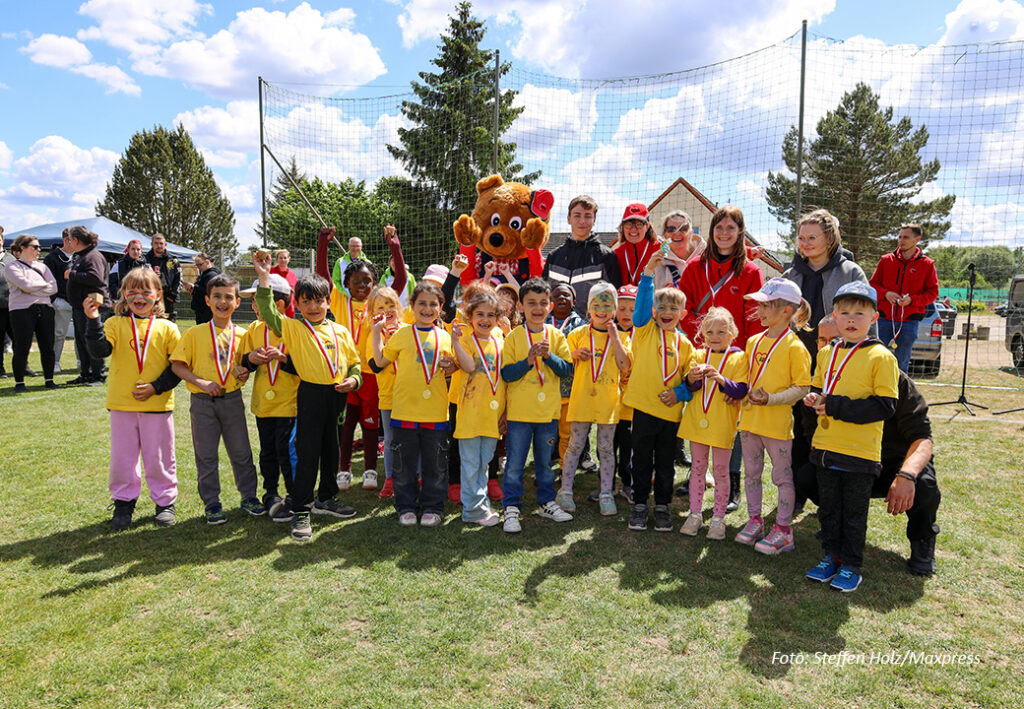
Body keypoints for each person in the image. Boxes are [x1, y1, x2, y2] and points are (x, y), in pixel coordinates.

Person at [795, 315, 941, 576]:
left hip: (890, 465)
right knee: (809, 475)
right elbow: (811, 438)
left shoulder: (893, 377)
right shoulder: (816, 388)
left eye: (837, 340)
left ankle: (922, 540)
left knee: (924, 487)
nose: (832, 346)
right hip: (847, 460)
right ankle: (835, 530)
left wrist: (906, 476)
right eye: (823, 341)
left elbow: (922, 437)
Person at [254, 254, 362, 542]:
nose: (313, 307)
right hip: (310, 395)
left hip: (337, 396)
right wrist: (264, 277)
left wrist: (354, 379)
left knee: (332, 450)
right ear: (297, 305)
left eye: (319, 301)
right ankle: (301, 507)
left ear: (328, 301)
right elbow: (267, 311)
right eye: (306, 302)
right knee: (307, 453)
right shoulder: (293, 328)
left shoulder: (340, 330)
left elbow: (354, 363)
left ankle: (326, 498)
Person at [802, 281, 898, 593]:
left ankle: (852, 565)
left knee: (854, 513)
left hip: (860, 453)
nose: (852, 319)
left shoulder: (882, 357)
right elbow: (820, 388)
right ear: (835, 316)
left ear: (875, 317)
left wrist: (835, 405)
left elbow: (885, 406)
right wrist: (814, 398)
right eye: (845, 312)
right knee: (829, 508)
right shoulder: (827, 352)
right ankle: (831, 556)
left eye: (860, 312)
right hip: (826, 447)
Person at [678, 205, 765, 514]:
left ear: (740, 232)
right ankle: (698, 475)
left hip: (735, 361)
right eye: (719, 227)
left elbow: (755, 320)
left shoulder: (752, 272)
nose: (724, 233)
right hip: (701, 356)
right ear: (711, 231)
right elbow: (683, 309)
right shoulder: (693, 268)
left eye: (731, 228)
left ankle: (732, 483)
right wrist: (704, 337)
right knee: (699, 414)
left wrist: (744, 367)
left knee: (731, 423)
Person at [783, 209, 870, 508]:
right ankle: (795, 493)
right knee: (795, 429)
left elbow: (865, 318)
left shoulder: (851, 272)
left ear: (830, 238)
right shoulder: (790, 275)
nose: (805, 243)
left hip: (835, 365)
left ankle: (828, 497)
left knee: (826, 428)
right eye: (801, 237)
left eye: (812, 237)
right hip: (796, 364)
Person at [83, 266, 182, 530]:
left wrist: (155, 387)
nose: (139, 297)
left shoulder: (169, 328)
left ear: (158, 294)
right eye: (132, 291)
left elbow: (177, 368)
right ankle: (124, 502)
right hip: (122, 405)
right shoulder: (115, 323)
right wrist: (92, 319)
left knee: (160, 457)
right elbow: (99, 351)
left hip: (157, 405)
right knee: (123, 459)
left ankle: (165, 502)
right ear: (124, 294)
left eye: (145, 291)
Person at [170, 273, 266, 526]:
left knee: (242, 452)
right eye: (217, 297)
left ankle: (249, 496)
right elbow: (178, 366)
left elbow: (243, 366)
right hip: (202, 403)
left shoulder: (244, 335)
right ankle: (212, 502)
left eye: (228, 297)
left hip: (232, 400)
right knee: (206, 455)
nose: (223, 302)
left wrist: (243, 372)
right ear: (207, 300)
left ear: (237, 303)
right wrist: (201, 382)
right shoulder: (194, 333)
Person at [734, 278, 813, 554]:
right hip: (750, 423)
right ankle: (755, 521)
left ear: (787, 312)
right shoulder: (753, 341)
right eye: (760, 305)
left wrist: (772, 400)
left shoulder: (796, 347)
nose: (761, 310)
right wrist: (739, 392)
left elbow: (802, 388)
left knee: (782, 478)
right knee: (752, 474)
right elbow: (746, 377)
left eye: (767, 305)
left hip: (777, 426)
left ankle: (783, 530)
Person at [371, 281, 456, 527]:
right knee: (404, 465)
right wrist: (376, 332)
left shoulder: (444, 336)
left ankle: (433, 507)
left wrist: (451, 366)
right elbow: (379, 360)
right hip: (404, 411)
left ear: (440, 308)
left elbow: (452, 367)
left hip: (436, 414)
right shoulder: (401, 334)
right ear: (412, 306)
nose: (427, 309)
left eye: (433, 304)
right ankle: (406, 506)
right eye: (422, 303)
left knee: (435, 465)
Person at [625, 254, 695, 532]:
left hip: (670, 414)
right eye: (661, 306)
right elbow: (641, 306)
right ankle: (641, 504)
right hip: (643, 410)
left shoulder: (686, 345)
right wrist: (648, 274)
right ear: (654, 312)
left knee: (666, 463)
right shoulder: (643, 332)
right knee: (642, 461)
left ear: (683, 314)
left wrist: (679, 393)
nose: (667, 310)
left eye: (673, 307)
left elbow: (691, 380)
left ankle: (663, 506)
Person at [498, 278, 575, 533]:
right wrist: (529, 360)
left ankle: (545, 503)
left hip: (547, 414)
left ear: (550, 306)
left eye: (543, 303)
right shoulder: (513, 338)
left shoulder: (556, 335)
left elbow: (566, 369)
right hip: (520, 414)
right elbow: (507, 374)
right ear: (520, 306)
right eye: (531, 303)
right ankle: (511, 507)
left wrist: (548, 356)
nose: (538, 308)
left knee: (544, 464)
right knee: (515, 464)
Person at [558, 282, 632, 516]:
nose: (602, 309)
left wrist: (614, 336)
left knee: (606, 448)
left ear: (614, 309)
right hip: (581, 400)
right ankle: (566, 490)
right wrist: (574, 354)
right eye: (596, 305)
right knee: (575, 445)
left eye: (607, 305)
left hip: (608, 403)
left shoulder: (621, 336)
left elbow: (625, 367)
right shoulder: (578, 334)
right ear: (588, 308)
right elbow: (563, 365)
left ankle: (606, 492)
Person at [677, 307, 748, 540]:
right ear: (702, 334)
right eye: (710, 331)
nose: (715, 336)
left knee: (721, 472)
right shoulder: (697, 355)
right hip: (697, 423)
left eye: (721, 331)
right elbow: (690, 387)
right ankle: (695, 514)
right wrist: (691, 378)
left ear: (732, 333)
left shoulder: (739, 358)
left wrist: (721, 379)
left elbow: (740, 390)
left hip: (722, 426)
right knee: (697, 469)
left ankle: (718, 518)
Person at [239, 274, 299, 522]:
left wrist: (283, 359)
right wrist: (250, 360)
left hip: (289, 404)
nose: (255, 307)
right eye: (253, 302)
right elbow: (242, 362)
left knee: (287, 452)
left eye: (259, 301)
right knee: (267, 453)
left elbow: (304, 367)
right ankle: (271, 493)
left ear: (281, 305)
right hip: (264, 405)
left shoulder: (293, 329)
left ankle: (295, 495)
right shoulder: (253, 329)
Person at [450, 289, 506, 526]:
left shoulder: (500, 340)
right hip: (471, 412)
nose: (485, 320)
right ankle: (472, 509)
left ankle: (480, 503)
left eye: (490, 315)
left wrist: (505, 412)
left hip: (493, 413)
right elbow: (469, 366)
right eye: (480, 314)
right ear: (470, 316)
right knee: (471, 462)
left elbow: (503, 379)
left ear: (497, 317)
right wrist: (454, 341)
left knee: (484, 461)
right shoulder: (465, 340)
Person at [869, 223, 939, 372]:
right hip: (883, 319)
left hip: (909, 322)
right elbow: (872, 284)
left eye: (906, 237)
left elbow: (932, 293)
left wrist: (912, 300)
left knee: (902, 365)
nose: (901, 240)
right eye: (900, 236)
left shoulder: (927, 264)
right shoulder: (886, 260)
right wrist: (886, 294)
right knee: (874, 359)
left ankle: (901, 394)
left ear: (917, 239)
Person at [543, 195, 621, 316]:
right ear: (569, 219)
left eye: (588, 216)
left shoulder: (606, 256)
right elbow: (544, 295)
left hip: (591, 330)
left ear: (594, 220)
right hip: (556, 329)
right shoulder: (554, 257)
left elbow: (615, 298)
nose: (582, 221)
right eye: (577, 215)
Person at [362, 286, 404, 500]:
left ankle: (415, 475)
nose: (387, 310)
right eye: (380, 307)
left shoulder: (408, 330)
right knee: (390, 439)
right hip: (388, 396)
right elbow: (376, 365)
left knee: (410, 438)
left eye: (390, 305)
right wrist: (381, 335)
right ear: (372, 313)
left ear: (398, 307)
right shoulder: (373, 335)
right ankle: (390, 478)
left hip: (409, 396)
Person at [4, 235, 58, 392]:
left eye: (39, 247)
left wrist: (33, 289)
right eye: (35, 247)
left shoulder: (42, 267)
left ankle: (49, 380)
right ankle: (19, 383)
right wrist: (42, 287)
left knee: (48, 346)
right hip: (21, 311)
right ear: (22, 248)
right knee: (22, 346)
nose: (38, 250)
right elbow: (25, 284)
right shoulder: (12, 267)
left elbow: (53, 287)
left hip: (45, 309)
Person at [65, 225, 109, 385]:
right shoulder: (82, 256)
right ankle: (86, 373)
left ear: (76, 240)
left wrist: (72, 274)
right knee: (82, 341)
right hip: (81, 306)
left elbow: (95, 277)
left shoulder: (92, 256)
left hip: (93, 305)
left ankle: (98, 374)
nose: (69, 243)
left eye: (70, 240)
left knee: (92, 340)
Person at [43, 229, 75, 371]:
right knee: (59, 333)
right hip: (60, 301)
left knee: (81, 335)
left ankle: (82, 362)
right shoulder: (52, 258)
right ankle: (55, 361)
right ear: (65, 240)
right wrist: (54, 300)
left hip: (79, 302)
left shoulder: (80, 256)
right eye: (73, 239)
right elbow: (47, 281)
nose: (76, 243)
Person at [653, 210, 704, 289]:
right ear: (665, 235)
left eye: (683, 229)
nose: (677, 234)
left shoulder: (707, 258)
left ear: (691, 232)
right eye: (671, 230)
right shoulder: (657, 264)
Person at [611, 203, 658, 287]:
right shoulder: (616, 254)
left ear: (647, 226)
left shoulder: (659, 250)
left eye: (639, 224)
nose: (633, 229)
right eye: (628, 224)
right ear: (622, 227)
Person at [145, 234, 181, 321]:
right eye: (156, 243)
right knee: (150, 325)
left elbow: (179, 279)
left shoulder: (173, 260)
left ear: (165, 245)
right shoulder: (144, 259)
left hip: (168, 298)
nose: (159, 246)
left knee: (168, 326)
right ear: (152, 244)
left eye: (161, 243)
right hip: (149, 298)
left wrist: (172, 296)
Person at [182, 253, 220, 324]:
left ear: (207, 262)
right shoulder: (204, 274)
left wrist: (193, 287)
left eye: (200, 264)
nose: (198, 267)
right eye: (197, 265)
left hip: (207, 310)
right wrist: (191, 290)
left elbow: (209, 292)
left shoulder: (211, 275)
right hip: (202, 309)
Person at [269, 249, 299, 318]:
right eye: (280, 258)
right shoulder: (271, 272)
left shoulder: (293, 276)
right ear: (277, 259)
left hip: (289, 311)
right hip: (273, 309)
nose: (283, 260)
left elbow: (296, 292)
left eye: (285, 258)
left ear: (289, 259)